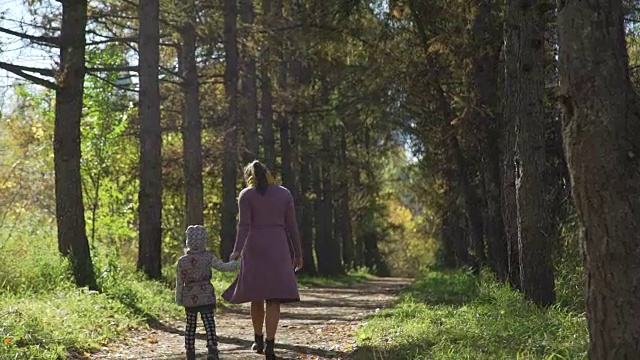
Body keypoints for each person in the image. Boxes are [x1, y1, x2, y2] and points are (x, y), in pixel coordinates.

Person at [222, 160, 303, 360]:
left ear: (249, 176)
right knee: (274, 298)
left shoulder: (246, 195)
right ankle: (270, 344)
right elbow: (292, 226)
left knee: (256, 295)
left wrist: (237, 251)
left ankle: (258, 339)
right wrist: (298, 253)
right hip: (278, 247)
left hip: (254, 247)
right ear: (269, 174)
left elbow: (244, 225)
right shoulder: (284, 193)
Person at [175, 225, 240, 360]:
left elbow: (179, 282)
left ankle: (190, 351)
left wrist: (179, 298)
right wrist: (237, 263)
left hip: (189, 298)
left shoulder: (182, 261)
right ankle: (212, 348)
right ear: (204, 240)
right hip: (206, 296)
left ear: (188, 241)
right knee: (209, 323)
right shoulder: (208, 257)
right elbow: (223, 267)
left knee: (190, 325)